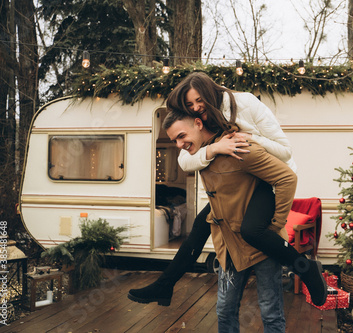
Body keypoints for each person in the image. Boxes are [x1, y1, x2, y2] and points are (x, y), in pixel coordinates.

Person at [128, 72, 327, 307]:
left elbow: (285, 151)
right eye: (189, 105)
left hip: (269, 180)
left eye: (198, 101)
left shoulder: (246, 103)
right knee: (198, 231)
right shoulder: (202, 118)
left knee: (252, 230)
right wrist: (214, 149)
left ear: (211, 91)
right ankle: (165, 286)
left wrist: (251, 137)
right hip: (243, 184)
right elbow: (185, 161)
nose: (195, 109)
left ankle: (307, 269)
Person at [164, 111, 295, 332]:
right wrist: (212, 149)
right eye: (174, 140)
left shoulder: (238, 146)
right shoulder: (200, 156)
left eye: (181, 136)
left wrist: (274, 227)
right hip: (230, 246)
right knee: (225, 310)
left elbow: (287, 178)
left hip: (263, 247)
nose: (178, 144)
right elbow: (184, 162)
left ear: (198, 123)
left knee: (270, 312)